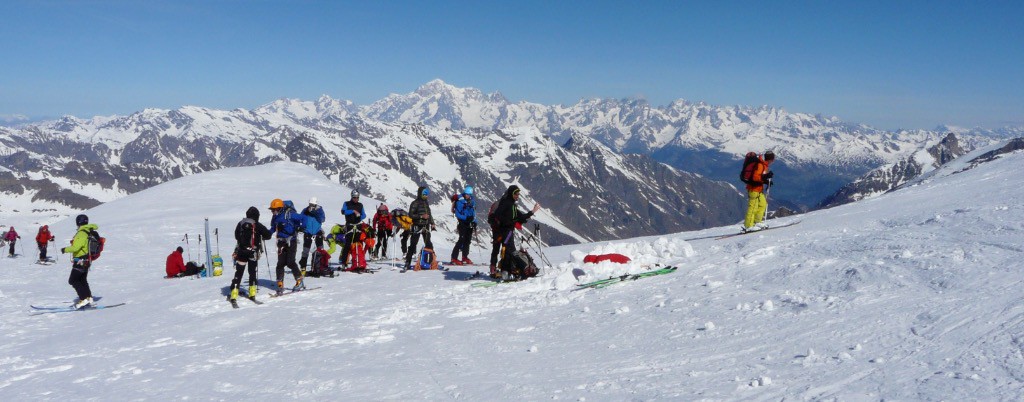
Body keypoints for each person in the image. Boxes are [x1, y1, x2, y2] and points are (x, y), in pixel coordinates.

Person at [490, 185, 541, 277]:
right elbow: (497, 214)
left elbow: (520, 216)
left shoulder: (512, 204)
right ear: (511, 194)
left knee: (507, 250)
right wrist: (508, 222)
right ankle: (505, 271)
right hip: (505, 231)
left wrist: (532, 211)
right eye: (515, 194)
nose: (517, 196)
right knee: (508, 250)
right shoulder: (506, 203)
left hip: (508, 230)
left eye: (518, 194)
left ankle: (506, 270)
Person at [228, 206, 272, 301]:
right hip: (253, 253)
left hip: (241, 252)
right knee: (252, 272)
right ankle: (252, 293)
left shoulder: (240, 223)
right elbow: (268, 235)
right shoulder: (257, 224)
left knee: (239, 273)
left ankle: (234, 293)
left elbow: (236, 236)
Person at [269, 199, 306, 295]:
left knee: (290, 262)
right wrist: (267, 234)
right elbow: (273, 228)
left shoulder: (289, 214)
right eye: (272, 210)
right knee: (280, 263)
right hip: (281, 242)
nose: (272, 212)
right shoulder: (275, 217)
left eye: (274, 210)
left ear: (280, 208)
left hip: (291, 241)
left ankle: (299, 281)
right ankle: (280, 283)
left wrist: (301, 227)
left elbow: (303, 218)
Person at [61, 214, 97, 309]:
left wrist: (65, 249)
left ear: (78, 222)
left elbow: (76, 248)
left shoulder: (81, 233)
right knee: (82, 280)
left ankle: (83, 299)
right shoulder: (89, 231)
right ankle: (89, 298)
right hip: (87, 260)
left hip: (80, 260)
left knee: (72, 280)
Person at [403, 186, 436, 272]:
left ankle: (430, 261)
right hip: (417, 226)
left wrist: (432, 223)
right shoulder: (415, 203)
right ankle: (407, 262)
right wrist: (421, 216)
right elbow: (410, 215)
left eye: (427, 194)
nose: (426, 196)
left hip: (426, 226)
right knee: (413, 245)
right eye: (424, 194)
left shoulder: (426, 203)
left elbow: (429, 214)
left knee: (428, 244)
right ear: (420, 194)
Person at [742, 150, 775, 232]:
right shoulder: (760, 165)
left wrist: (766, 181)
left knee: (763, 204)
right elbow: (755, 178)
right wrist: (766, 177)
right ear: (770, 159)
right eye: (773, 159)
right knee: (753, 207)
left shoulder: (764, 165)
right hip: (753, 189)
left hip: (758, 189)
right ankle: (748, 226)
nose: (773, 161)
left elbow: (760, 178)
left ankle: (757, 222)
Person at [449, 185, 477, 265]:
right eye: (466, 194)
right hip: (462, 223)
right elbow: (458, 214)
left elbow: (474, 213)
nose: (467, 195)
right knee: (461, 239)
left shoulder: (472, 201)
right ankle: (454, 258)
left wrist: (475, 221)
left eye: (468, 194)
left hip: (469, 223)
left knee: (467, 240)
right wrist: (466, 218)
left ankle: (465, 257)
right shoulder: (459, 202)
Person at [299, 197, 326, 274]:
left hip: (317, 232)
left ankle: (318, 267)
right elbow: (300, 218)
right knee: (305, 251)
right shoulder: (305, 210)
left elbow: (322, 219)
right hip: (308, 233)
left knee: (320, 251)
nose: (311, 206)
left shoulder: (320, 210)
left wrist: (314, 212)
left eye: (313, 205)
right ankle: (303, 267)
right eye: (310, 204)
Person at [338, 190, 366, 268]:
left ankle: (358, 261)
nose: (356, 199)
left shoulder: (360, 205)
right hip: (349, 225)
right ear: (352, 197)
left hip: (358, 226)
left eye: (357, 198)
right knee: (347, 244)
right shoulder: (346, 203)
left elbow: (364, 215)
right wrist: (353, 211)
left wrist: (360, 216)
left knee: (358, 244)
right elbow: (343, 211)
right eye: (354, 197)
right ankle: (344, 262)